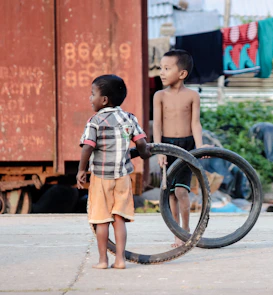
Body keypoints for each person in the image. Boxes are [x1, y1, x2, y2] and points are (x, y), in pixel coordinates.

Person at [77, 74, 150, 269]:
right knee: (119, 219)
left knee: (102, 221)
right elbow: (142, 143)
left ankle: (103, 260)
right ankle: (120, 260)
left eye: (92, 94)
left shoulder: (95, 121)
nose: (89, 98)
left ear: (104, 100)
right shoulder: (129, 118)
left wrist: (81, 170)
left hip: (101, 178)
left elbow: (87, 147)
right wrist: (143, 154)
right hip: (123, 176)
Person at [153, 49, 207, 248]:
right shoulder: (159, 96)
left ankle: (186, 230)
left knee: (181, 192)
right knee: (170, 193)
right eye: (161, 68)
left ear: (182, 74)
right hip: (167, 146)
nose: (162, 72)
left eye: (167, 68)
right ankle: (177, 234)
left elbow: (195, 123)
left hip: (187, 146)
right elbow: (157, 124)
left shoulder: (192, 96)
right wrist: (159, 150)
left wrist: (200, 147)